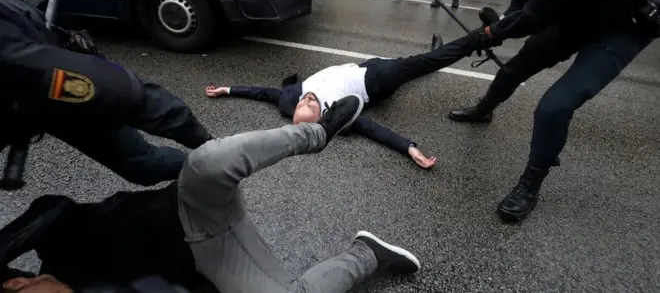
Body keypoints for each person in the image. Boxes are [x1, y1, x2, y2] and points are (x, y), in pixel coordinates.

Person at [0, 95, 423, 293]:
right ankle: (367, 253)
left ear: (19, 283)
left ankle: (316, 131)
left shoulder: (56, 246)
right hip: (211, 260)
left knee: (208, 160)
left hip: (186, 206)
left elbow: (50, 207)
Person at [448, 0, 658, 222]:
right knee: (515, 69)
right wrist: (505, 18)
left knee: (553, 107)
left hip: (624, 28)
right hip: (582, 11)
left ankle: (530, 185)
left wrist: (492, 33)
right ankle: (483, 110)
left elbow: (535, 16)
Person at [0, 0, 212, 187]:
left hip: (31, 82)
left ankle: (203, 176)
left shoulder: (16, 57)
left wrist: (210, 149)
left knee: (143, 165)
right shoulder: (18, 65)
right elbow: (118, 90)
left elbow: (118, 91)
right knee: (142, 166)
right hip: (23, 96)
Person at [204, 32, 502, 169]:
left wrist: (227, 89)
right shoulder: (339, 115)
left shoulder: (288, 100)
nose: (307, 99)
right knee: (421, 65)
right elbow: (373, 130)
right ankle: (480, 38)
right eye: (311, 106)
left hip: (363, 64)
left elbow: (262, 93)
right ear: (323, 115)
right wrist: (410, 148)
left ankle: (433, 50)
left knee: (418, 62)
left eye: (302, 104)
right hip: (374, 80)